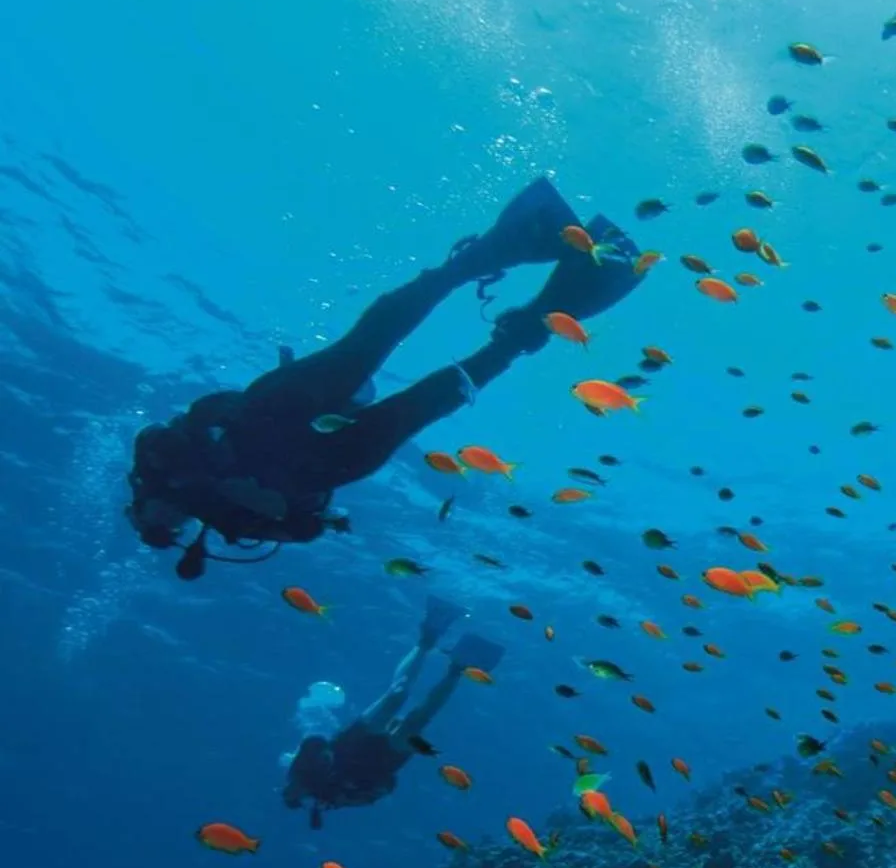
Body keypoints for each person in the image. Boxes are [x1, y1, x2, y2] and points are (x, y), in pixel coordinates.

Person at [127, 178, 645, 580]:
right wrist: (272, 509)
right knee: (430, 400)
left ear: (141, 506)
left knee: (371, 338)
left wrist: (207, 479)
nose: (168, 520)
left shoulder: (158, 462)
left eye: (152, 518)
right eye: (169, 528)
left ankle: (483, 258)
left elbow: (187, 421)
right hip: (330, 460)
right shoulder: (234, 527)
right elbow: (306, 528)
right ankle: (537, 321)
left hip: (278, 409)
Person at [282, 598, 502, 828]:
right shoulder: (331, 800)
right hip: (382, 763)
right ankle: (457, 668)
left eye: (289, 792)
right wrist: (364, 792)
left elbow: (314, 742)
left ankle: (430, 635)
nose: (293, 792)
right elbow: (385, 788)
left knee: (396, 696)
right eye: (294, 797)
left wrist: (323, 759)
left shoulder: (300, 772)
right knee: (417, 721)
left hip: (350, 744)